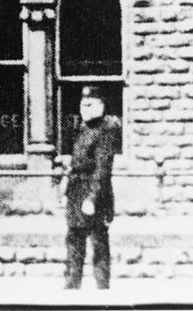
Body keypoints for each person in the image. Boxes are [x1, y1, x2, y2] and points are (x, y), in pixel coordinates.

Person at [62, 85, 121, 290]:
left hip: (94, 192)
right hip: (77, 190)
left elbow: (103, 168)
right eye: (82, 104)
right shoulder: (83, 128)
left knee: (98, 240)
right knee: (74, 239)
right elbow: (76, 163)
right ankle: (72, 285)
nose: (84, 109)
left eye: (89, 104)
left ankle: (102, 288)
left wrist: (92, 198)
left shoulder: (107, 129)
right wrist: (66, 189)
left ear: (101, 105)